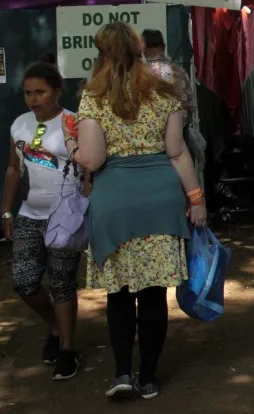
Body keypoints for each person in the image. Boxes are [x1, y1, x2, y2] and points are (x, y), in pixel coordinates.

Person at [66, 22, 207, 399]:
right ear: (140, 50)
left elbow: (92, 159)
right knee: (153, 295)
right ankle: (148, 377)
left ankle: (122, 374)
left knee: (120, 294)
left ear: (102, 54)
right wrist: (196, 199)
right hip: (160, 200)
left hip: (116, 204)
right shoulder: (164, 93)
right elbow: (178, 152)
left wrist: (70, 144)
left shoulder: (93, 98)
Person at [2, 60, 83, 380]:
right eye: (27, 93)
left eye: (40, 92)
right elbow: (12, 169)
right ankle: (53, 324)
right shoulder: (19, 124)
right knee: (24, 281)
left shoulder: (73, 122)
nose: (33, 99)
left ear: (57, 92)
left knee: (62, 282)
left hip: (64, 216)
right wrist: (6, 209)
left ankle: (66, 347)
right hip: (28, 215)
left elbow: (88, 166)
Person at [142, 30, 196, 125]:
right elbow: (191, 107)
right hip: (180, 129)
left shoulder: (141, 74)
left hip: (153, 133)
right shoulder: (180, 71)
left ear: (144, 49)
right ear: (164, 46)